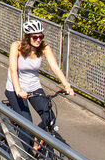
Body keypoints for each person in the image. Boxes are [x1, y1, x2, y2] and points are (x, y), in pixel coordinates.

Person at [6, 19, 76, 152]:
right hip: (15, 88)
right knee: (26, 124)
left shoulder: (44, 47)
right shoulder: (17, 46)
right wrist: (18, 89)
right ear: (27, 37)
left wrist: (67, 85)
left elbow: (55, 67)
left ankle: (35, 140)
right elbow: (13, 70)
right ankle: (23, 158)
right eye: (35, 37)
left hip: (34, 87)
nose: (38, 40)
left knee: (49, 117)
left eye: (40, 36)